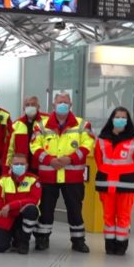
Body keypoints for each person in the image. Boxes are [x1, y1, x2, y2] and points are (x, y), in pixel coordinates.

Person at [30, 92, 95, 253]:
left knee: (75, 210)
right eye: (60, 102)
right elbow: (34, 146)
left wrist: (70, 159)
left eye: (66, 102)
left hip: (72, 177)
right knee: (45, 209)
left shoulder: (82, 125)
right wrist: (49, 160)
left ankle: (78, 240)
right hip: (48, 176)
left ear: (71, 105)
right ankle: (42, 239)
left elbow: (88, 145)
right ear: (53, 105)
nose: (63, 105)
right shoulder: (41, 125)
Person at [94, 107, 134, 255]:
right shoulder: (102, 138)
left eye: (123, 117)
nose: (120, 120)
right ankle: (109, 246)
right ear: (112, 119)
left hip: (126, 184)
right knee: (108, 216)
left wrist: (123, 172)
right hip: (106, 184)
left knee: (123, 217)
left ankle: (121, 246)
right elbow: (98, 159)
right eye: (118, 117)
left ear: (127, 120)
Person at [0, 153, 42, 254]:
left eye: (22, 164)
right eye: (16, 164)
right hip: (7, 216)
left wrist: (11, 206)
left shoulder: (33, 180)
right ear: (11, 165)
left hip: (22, 216)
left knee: (32, 210)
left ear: (27, 166)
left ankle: (24, 242)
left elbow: (34, 200)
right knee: (0, 248)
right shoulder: (2, 180)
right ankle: (10, 236)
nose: (19, 166)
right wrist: (9, 209)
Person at [5, 96, 49, 174]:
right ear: (23, 108)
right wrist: (8, 167)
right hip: (21, 167)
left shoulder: (47, 121)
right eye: (27, 105)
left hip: (43, 166)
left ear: (38, 107)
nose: (30, 107)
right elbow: (10, 149)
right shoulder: (16, 124)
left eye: (33, 104)